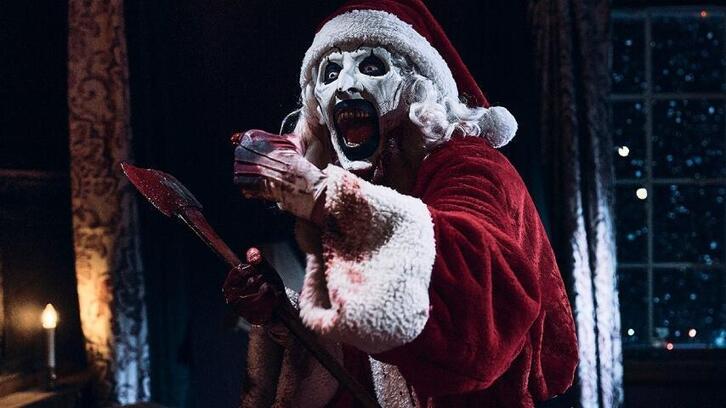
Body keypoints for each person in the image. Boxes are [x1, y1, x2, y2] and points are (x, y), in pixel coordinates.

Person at [223, 1, 578, 406]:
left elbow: (475, 316)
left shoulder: (474, 166)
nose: (345, 85)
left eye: (371, 67)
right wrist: (283, 315)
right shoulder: (372, 185)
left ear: (417, 90)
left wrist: (317, 193)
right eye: (330, 73)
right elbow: (364, 355)